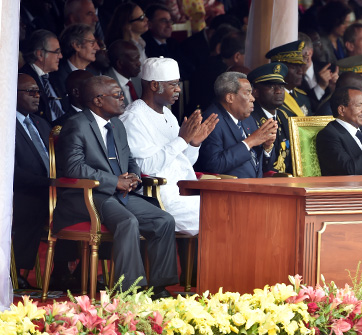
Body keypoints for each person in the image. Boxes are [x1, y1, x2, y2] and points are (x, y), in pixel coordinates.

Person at [52, 75, 178, 297]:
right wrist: (114, 181)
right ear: (98, 100)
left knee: (163, 220)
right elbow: (73, 168)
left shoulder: (117, 125)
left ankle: (159, 287)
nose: (123, 99)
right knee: (127, 221)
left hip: (118, 194)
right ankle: (130, 291)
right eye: (118, 95)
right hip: (87, 195)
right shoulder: (77, 124)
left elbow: (128, 158)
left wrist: (134, 177)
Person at [120, 57, 218, 236]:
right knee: (221, 213)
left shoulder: (168, 114)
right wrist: (181, 140)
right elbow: (145, 169)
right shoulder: (133, 118)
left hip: (183, 190)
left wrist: (194, 143)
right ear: (155, 85)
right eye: (173, 84)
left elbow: (181, 161)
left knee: (229, 207)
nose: (178, 89)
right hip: (158, 197)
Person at [196, 72, 278, 178]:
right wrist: (250, 141)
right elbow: (214, 165)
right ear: (230, 98)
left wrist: (267, 147)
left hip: (255, 188)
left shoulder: (247, 119)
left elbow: (264, 167)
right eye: (247, 93)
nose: (252, 98)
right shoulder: (212, 120)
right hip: (229, 191)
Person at [13, 74, 51, 290]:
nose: (37, 96)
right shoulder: (5, 123)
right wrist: (48, 183)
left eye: (38, 91)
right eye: (30, 92)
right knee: (31, 205)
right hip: (22, 190)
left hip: (49, 189)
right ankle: (15, 269)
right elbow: (11, 172)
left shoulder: (41, 123)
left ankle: (66, 271)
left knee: (81, 204)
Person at [249, 63, 293, 174]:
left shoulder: (284, 116)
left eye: (281, 86)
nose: (278, 91)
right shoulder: (250, 118)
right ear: (256, 92)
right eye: (271, 86)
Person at [19, 29, 66, 124]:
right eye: (56, 52)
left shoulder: (56, 77)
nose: (60, 56)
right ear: (40, 54)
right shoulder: (25, 79)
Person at [266, 40, 314, 117]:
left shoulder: (303, 97)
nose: (300, 71)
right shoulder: (271, 98)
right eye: (293, 67)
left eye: (301, 66)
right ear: (279, 69)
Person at [54, 24, 101, 97]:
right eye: (92, 43)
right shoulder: (58, 76)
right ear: (76, 45)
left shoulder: (95, 75)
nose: (97, 48)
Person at [103, 40, 142, 107]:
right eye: (134, 60)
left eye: (138, 59)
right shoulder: (105, 85)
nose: (139, 63)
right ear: (120, 63)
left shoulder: (138, 80)